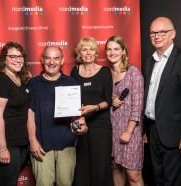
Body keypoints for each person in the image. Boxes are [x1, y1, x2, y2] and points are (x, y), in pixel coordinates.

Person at [143, 17, 181, 186]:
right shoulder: (149, 61)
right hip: (153, 131)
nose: (157, 36)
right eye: (153, 32)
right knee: (157, 177)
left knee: (172, 181)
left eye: (162, 32)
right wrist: (146, 128)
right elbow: (150, 96)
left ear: (173, 34)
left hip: (175, 134)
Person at [27, 45, 87, 186]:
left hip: (66, 144)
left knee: (65, 183)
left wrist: (81, 125)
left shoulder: (70, 82)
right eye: (48, 58)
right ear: (42, 60)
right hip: (41, 145)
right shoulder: (33, 84)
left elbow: (75, 115)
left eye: (56, 58)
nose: (51, 62)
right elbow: (30, 114)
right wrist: (32, 141)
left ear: (62, 61)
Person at [0, 42, 30, 186]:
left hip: (19, 143)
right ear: (4, 59)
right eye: (13, 56)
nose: (17, 59)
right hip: (4, 145)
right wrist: (2, 149)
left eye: (20, 56)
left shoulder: (18, 80)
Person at [70, 37, 113, 186]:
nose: (88, 52)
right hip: (81, 124)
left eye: (91, 49)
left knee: (100, 167)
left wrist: (93, 107)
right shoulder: (75, 71)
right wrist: (79, 118)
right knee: (81, 166)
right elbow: (71, 97)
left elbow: (108, 101)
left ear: (96, 53)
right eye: (84, 49)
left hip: (101, 125)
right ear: (79, 53)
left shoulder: (105, 72)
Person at [106, 36, 144, 186]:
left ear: (123, 51)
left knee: (133, 174)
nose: (112, 52)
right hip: (112, 129)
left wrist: (129, 131)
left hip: (130, 130)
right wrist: (111, 98)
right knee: (115, 167)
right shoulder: (107, 74)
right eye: (109, 49)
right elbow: (103, 96)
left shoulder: (133, 73)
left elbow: (137, 106)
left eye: (116, 49)